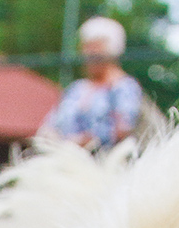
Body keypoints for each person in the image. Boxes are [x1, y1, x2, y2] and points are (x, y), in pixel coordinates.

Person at [40, 16, 143, 151]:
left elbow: (123, 131)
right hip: (64, 161)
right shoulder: (76, 89)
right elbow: (49, 127)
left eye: (95, 48)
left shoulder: (124, 87)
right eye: (85, 47)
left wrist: (86, 142)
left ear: (113, 51)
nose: (88, 54)